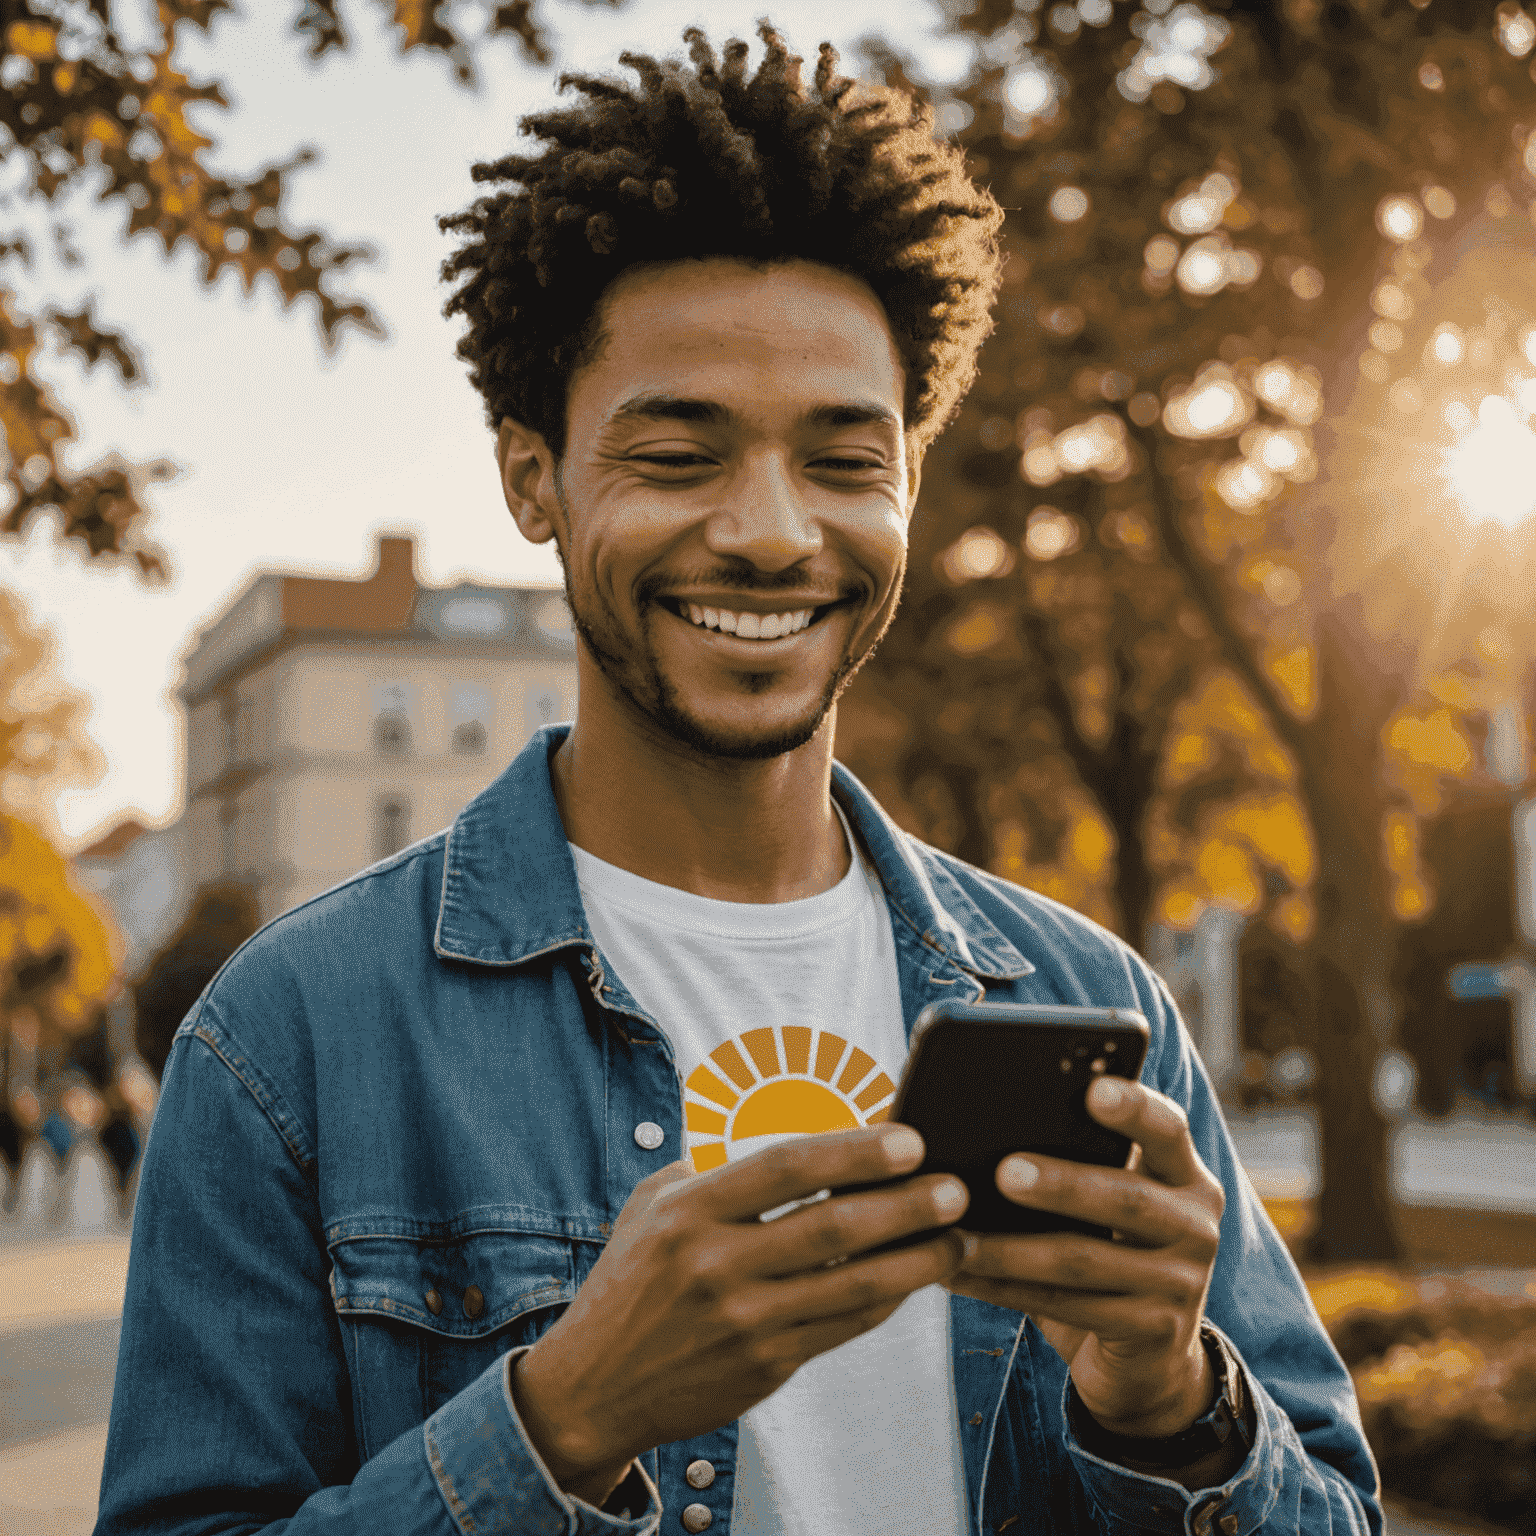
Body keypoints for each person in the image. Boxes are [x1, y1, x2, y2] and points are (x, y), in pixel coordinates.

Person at [95, 24, 1381, 1536]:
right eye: (682, 454)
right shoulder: (289, 1043)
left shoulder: (1084, 1003)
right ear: (533, 480)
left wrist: (1169, 1403)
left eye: (845, 460)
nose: (773, 532)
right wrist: (564, 1421)